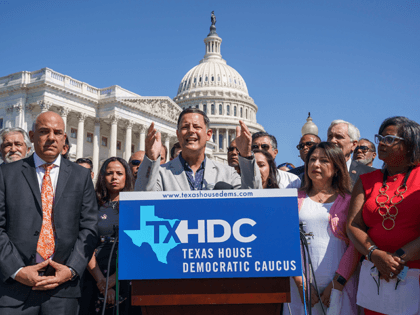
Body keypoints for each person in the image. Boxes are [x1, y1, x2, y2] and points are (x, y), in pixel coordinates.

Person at [0, 111, 98, 314]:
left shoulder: (81, 177)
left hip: (63, 290)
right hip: (15, 290)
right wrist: (17, 270)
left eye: (57, 132)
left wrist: (70, 269)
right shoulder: (6, 174)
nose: (51, 137)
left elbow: (89, 226)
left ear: (64, 138)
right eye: (44, 131)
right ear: (32, 135)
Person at [347, 116, 420, 315]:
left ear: (410, 144)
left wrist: (396, 259)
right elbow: (353, 225)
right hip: (375, 272)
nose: (381, 143)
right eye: (380, 137)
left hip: (414, 271)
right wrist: (375, 254)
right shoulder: (366, 180)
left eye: (389, 138)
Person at [284, 142, 359, 315]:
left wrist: (337, 283)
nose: (315, 164)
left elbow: (356, 245)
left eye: (324, 160)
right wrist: (300, 282)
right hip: (300, 287)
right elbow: (286, 242)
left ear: (337, 168)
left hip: (340, 284)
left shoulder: (349, 200)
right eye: (312, 159)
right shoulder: (291, 198)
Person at [135, 108, 262, 191]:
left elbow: (254, 197)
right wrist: (151, 158)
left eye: (196, 126)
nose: (191, 131)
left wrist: (246, 156)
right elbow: (142, 200)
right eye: (185, 127)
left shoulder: (227, 173)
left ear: (208, 134)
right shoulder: (161, 173)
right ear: (178, 134)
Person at [80, 157, 134, 314]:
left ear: (127, 176)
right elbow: (86, 244)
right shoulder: (91, 205)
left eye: (119, 173)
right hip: (94, 276)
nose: (114, 177)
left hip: (125, 276)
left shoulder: (135, 206)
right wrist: (102, 282)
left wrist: (113, 280)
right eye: (109, 173)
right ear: (102, 176)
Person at [327, 119, 374, 188]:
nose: (332, 141)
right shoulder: (311, 171)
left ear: (354, 145)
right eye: (330, 137)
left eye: (339, 137)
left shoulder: (369, 174)